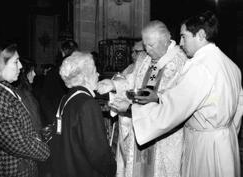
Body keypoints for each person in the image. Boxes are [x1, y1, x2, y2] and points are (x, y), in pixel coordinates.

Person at [109, 11, 243, 177]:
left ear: (201, 35)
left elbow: (173, 110)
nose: (180, 42)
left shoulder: (199, 67)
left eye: (184, 37)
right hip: (226, 142)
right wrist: (222, 132)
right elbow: (238, 110)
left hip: (205, 145)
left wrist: (130, 109)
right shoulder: (230, 65)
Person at [97, 20, 188, 177]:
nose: (147, 50)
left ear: (166, 41)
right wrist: (113, 84)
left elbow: (181, 99)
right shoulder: (146, 59)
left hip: (164, 136)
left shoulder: (181, 62)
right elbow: (133, 80)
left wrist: (157, 98)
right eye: (145, 45)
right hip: (140, 126)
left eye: (151, 45)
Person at [0, 39, 50, 176]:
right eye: (15, 62)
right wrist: (46, 150)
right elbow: (15, 141)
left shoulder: (2, 89)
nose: (20, 66)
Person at [50, 51, 116, 177]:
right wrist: (112, 169)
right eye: (95, 71)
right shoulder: (87, 103)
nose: (98, 74)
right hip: (83, 170)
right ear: (85, 77)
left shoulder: (67, 98)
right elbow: (97, 152)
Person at [39, 39, 78, 125]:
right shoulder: (79, 71)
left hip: (56, 115)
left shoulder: (53, 72)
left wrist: (53, 120)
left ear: (62, 52)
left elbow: (44, 98)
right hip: (74, 117)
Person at [14, 60, 43, 132]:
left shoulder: (25, 90)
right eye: (31, 71)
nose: (34, 74)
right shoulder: (24, 94)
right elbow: (35, 121)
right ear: (24, 73)